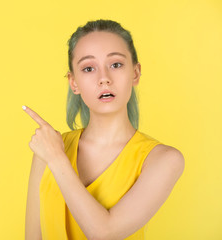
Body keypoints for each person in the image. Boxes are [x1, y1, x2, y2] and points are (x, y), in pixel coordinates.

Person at [24, 19, 185, 240]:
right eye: (89, 68)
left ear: (135, 73)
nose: (104, 79)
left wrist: (57, 158)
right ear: (74, 83)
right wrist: (52, 153)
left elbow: (104, 233)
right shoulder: (49, 147)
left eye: (116, 64)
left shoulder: (164, 159)